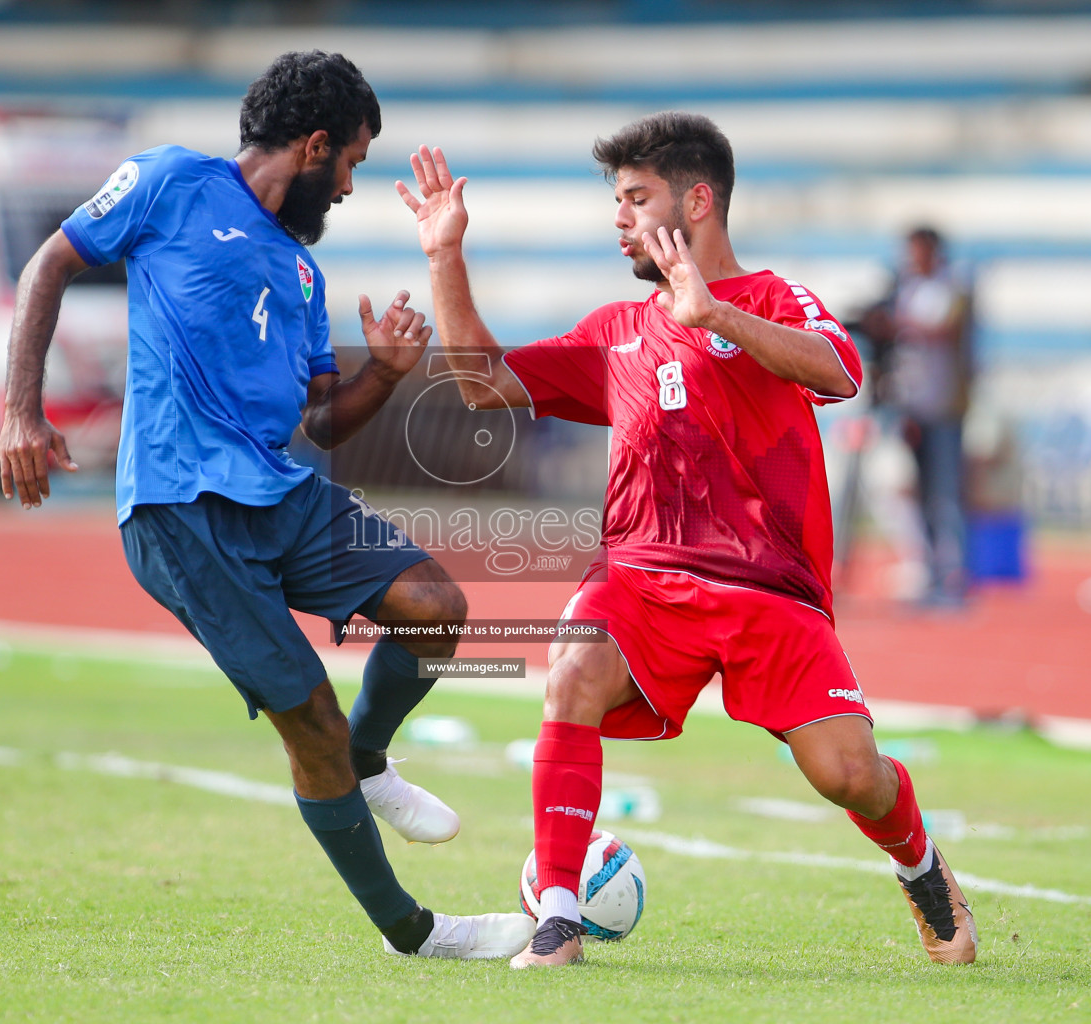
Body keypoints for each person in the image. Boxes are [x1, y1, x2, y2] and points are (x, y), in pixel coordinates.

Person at [397, 113, 977, 968]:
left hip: (769, 591)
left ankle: (922, 868)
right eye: (618, 201)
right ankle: (557, 913)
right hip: (641, 579)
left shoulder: (774, 299)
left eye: (637, 198)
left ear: (697, 200)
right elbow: (482, 385)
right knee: (573, 669)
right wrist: (445, 254)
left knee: (850, 774)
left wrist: (715, 316)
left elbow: (841, 371)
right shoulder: (614, 331)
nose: (620, 217)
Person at [0, 50, 534, 961]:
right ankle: (413, 930)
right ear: (315, 144)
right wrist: (19, 409)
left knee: (435, 608)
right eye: (354, 162)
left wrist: (383, 375)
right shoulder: (169, 182)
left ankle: (371, 760)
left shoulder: (301, 271)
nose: (353, 186)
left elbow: (323, 422)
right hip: (180, 507)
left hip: (277, 491)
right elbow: (47, 267)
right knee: (310, 722)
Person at [884, 226, 974, 605]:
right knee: (918, 494)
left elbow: (944, 328)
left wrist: (893, 323)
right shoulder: (905, 289)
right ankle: (929, 571)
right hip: (913, 405)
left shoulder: (950, 286)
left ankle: (952, 578)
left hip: (944, 404)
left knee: (945, 493)